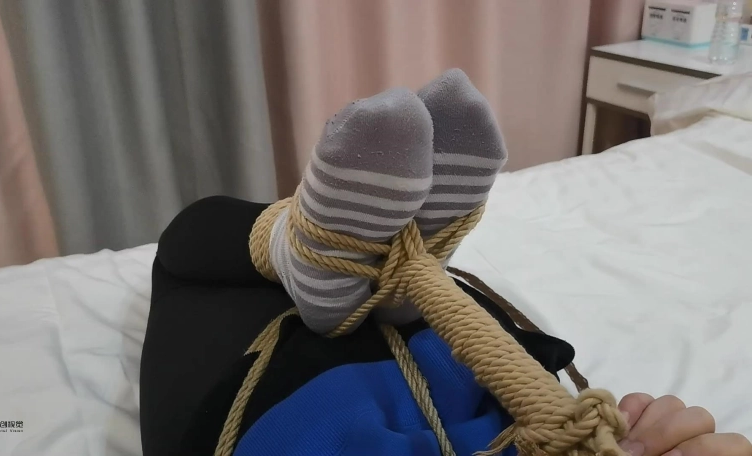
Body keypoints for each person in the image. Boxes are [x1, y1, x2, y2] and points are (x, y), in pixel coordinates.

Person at [140, 70, 752, 456]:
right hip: (475, 382)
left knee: (185, 244)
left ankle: (323, 258)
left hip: (287, 417)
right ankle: (364, 271)